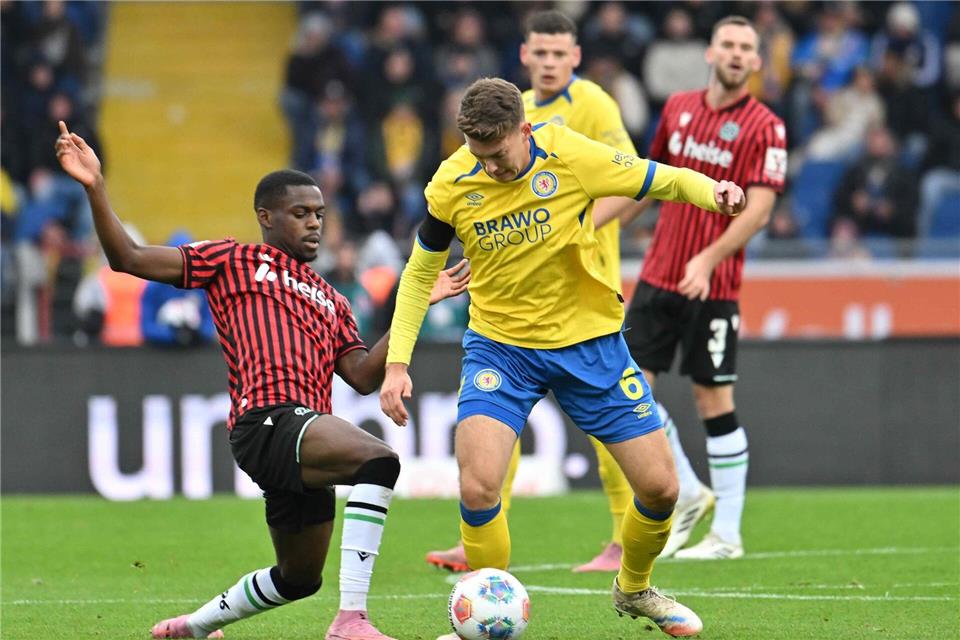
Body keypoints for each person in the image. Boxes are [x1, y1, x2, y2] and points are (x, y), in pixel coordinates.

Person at [54, 121, 470, 640]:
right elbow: (129, 258)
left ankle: (191, 628)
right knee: (378, 461)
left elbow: (363, 376)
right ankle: (351, 622)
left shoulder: (333, 300)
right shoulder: (233, 259)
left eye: (319, 214)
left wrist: (416, 304)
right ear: (265, 217)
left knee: (298, 579)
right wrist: (96, 186)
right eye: (300, 213)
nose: (314, 223)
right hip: (267, 420)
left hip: (302, 434)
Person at [380, 77, 746, 638]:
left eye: (498, 153)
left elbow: (661, 178)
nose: (489, 167)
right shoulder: (451, 183)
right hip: (501, 349)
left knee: (661, 489)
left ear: (524, 130)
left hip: (589, 344)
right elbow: (419, 273)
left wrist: (713, 191)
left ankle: (635, 588)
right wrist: (397, 365)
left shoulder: (571, 155)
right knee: (478, 485)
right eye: (478, 154)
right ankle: (485, 613)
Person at [424, 9, 646, 575]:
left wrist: (577, 224)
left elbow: (635, 183)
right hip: (516, 301)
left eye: (558, 53)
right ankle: (482, 530)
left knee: (607, 428)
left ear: (575, 57)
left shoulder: (593, 104)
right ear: (524, 55)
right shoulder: (510, 110)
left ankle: (622, 538)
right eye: (539, 53)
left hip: (583, 289)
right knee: (499, 421)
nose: (548, 63)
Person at [621, 15, 787, 560]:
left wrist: (708, 259)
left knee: (712, 399)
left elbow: (759, 210)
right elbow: (648, 180)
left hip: (713, 285)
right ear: (710, 53)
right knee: (627, 389)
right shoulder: (677, 108)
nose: (736, 54)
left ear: (756, 61)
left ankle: (727, 536)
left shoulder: (766, 126)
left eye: (746, 47)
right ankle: (690, 490)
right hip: (657, 274)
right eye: (728, 44)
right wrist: (598, 225)